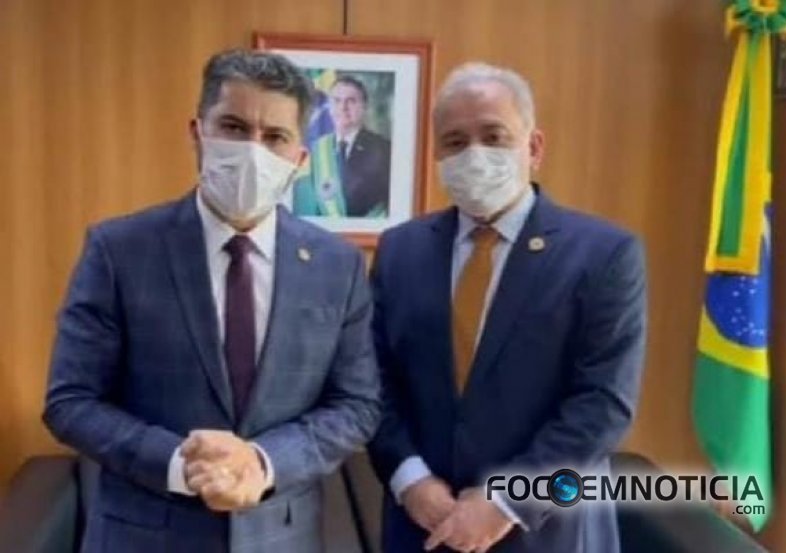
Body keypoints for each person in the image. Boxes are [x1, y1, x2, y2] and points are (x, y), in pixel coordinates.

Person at [43, 49, 381, 553]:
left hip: (281, 538)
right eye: (234, 127)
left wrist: (262, 462)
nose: (252, 150)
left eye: (275, 137)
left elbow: (357, 405)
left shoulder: (339, 266)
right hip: (142, 535)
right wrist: (182, 464)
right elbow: (71, 401)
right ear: (197, 132)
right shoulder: (118, 250)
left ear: (300, 159)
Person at [367, 62, 647, 553]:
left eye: (493, 136)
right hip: (423, 524)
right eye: (455, 141)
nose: (474, 154)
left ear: (533, 148)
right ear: (437, 155)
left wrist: (505, 502)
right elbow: (374, 381)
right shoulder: (399, 250)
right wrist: (410, 479)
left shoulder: (605, 254)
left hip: (547, 531)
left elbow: (602, 404)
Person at [329, 75, 392, 217]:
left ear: (364, 107)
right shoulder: (317, 150)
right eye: (337, 101)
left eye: (351, 101)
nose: (343, 108)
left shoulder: (384, 149)